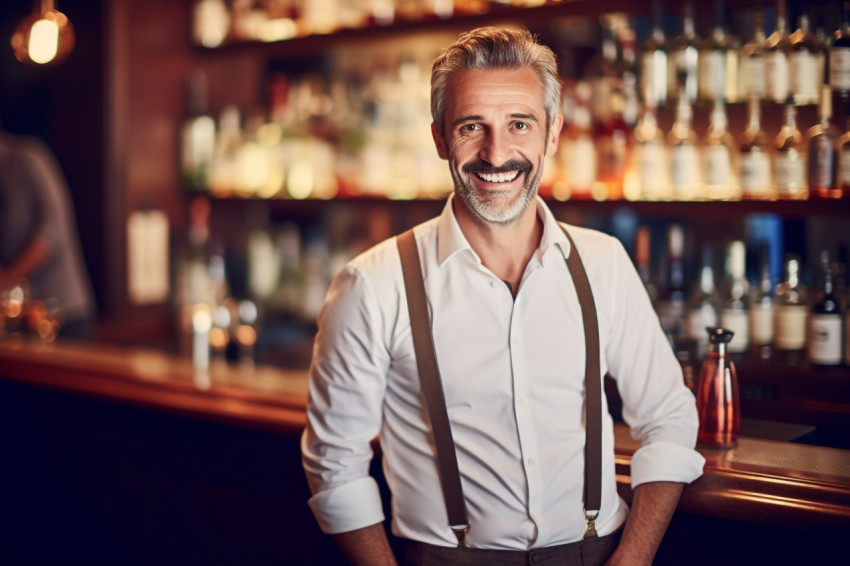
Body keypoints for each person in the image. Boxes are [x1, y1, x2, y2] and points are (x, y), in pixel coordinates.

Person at [301, 27, 704, 566]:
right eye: (472, 127)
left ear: (553, 134)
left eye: (520, 124)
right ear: (441, 138)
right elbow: (335, 465)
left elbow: (669, 417)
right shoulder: (372, 284)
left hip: (596, 552)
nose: (497, 153)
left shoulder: (602, 263)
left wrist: (633, 558)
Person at [0, 130, 96, 339]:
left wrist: (8, 277)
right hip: (21, 321)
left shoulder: (27, 159)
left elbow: (54, 229)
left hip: (62, 315)